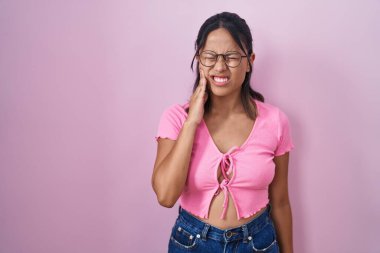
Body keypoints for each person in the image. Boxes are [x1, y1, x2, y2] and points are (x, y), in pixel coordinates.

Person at [152, 11, 295, 253]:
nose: (220, 66)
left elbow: (280, 202)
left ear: (249, 60)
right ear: (199, 58)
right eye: (210, 56)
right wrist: (191, 123)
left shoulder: (275, 121)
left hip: (258, 243)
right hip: (192, 243)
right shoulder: (176, 118)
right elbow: (166, 196)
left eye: (231, 57)